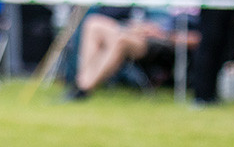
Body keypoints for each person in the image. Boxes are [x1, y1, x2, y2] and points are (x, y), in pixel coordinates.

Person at [67, 7, 200, 100]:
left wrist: (163, 34)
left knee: (121, 40)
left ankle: (83, 88)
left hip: (164, 42)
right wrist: (138, 27)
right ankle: (81, 81)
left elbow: (201, 40)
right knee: (94, 23)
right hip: (140, 32)